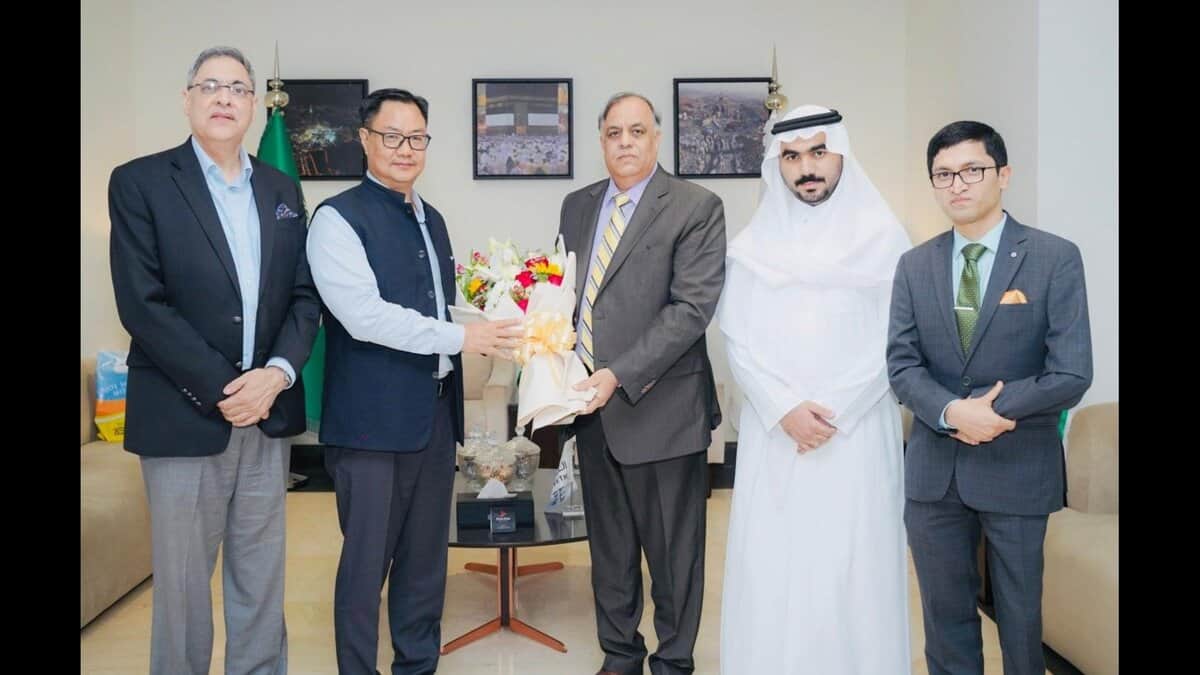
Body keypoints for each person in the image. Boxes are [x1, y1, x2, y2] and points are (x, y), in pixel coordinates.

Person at [108, 45, 319, 675]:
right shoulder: (140, 181)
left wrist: (275, 376)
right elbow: (143, 306)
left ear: (255, 104)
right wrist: (232, 388)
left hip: (268, 413)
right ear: (188, 99)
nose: (224, 98)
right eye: (210, 87)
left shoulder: (281, 188)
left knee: (262, 580)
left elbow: (304, 296)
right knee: (181, 592)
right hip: (183, 415)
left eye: (237, 88)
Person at [305, 88, 523, 675]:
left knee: (426, 562)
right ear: (365, 140)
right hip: (370, 425)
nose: (406, 149)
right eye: (392, 136)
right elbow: (364, 315)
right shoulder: (336, 218)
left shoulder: (434, 218)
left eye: (417, 138)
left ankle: (416, 664)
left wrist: (495, 322)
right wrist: (463, 339)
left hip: (432, 417)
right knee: (366, 565)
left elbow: (436, 309)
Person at [887, 120, 1093, 675]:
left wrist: (991, 414)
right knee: (945, 617)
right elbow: (901, 365)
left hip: (1019, 466)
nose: (958, 185)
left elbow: (1072, 372)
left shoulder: (1054, 257)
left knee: (1023, 623)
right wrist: (952, 413)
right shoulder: (914, 265)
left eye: (972, 171)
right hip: (935, 474)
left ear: (1003, 175)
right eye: (944, 174)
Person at [718, 104, 913, 674]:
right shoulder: (751, 247)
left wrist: (835, 413)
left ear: (842, 155)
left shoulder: (885, 237)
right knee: (773, 568)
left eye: (819, 153)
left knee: (852, 569)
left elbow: (895, 341)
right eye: (792, 156)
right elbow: (737, 340)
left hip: (855, 435)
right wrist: (784, 410)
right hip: (775, 435)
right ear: (777, 165)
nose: (807, 168)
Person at [559, 92, 726, 675]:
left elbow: (690, 310)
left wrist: (617, 374)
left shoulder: (695, 205)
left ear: (657, 138)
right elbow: (572, 298)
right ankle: (621, 654)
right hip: (591, 411)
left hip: (662, 406)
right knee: (608, 548)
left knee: (674, 555)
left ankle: (674, 661)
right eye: (613, 133)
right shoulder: (577, 206)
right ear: (601, 140)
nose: (625, 142)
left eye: (636, 131)